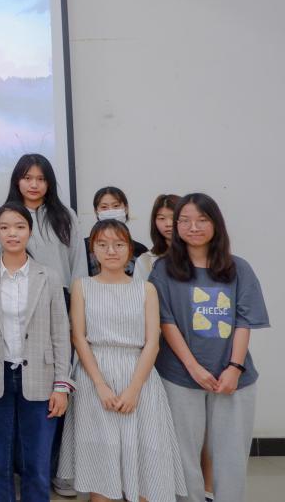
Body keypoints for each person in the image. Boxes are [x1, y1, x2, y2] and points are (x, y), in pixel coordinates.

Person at [149, 193, 269, 502]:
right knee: (183, 456)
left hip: (234, 379)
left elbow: (244, 321)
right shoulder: (162, 270)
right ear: (176, 226)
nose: (194, 227)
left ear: (216, 224)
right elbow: (166, 321)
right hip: (180, 376)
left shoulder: (239, 268)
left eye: (202, 220)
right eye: (185, 221)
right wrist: (193, 368)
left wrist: (234, 368)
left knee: (231, 456)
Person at [57, 219, 186, 501]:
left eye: (118, 244)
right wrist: (101, 385)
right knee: (99, 458)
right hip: (94, 376)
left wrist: (133, 389)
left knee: (145, 458)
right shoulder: (82, 286)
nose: (111, 251)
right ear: (93, 250)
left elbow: (152, 342)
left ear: (130, 248)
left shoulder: (146, 289)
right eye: (102, 245)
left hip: (139, 376)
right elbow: (79, 338)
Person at [0, 202, 72, 502]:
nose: (12, 233)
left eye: (19, 227)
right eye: (4, 227)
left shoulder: (49, 276)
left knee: (36, 463)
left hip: (40, 376)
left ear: (29, 231)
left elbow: (60, 334)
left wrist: (62, 385)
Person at [0, 153, 88, 289]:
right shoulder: (3, 216)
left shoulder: (66, 215)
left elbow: (79, 262)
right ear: (17, 181)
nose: (34, 185)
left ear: (49, 183)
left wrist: (77, 297)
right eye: (27, 178)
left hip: (61, 293)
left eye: (41, 179)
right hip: (17, 294)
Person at [85, 187, 148, 276]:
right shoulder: (83, 248)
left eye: (116, 206)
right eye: (104, 207)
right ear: (96, 211)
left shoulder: (140, 250)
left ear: (126, 209)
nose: (110, 210)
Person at [134, 194, 180, 279]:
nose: (168, 224)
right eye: (161, 218)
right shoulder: (146, 260)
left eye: (173, 218)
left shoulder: (198, 256)